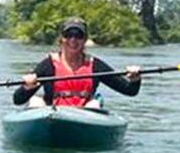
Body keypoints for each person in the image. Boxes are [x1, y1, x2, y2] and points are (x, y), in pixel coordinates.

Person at [13, 17, 142, 108]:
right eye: (68, 35)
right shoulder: (48, 65)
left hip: (85, 118)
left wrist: (135, 79)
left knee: (95, 104)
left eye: (78, 35)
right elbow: (17, 100)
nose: (73, 40)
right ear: (61, 39)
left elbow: (129, 91)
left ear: (85, 40)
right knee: (35, 102)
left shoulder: (95, 66)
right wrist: (27, 88)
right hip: (53, 116)